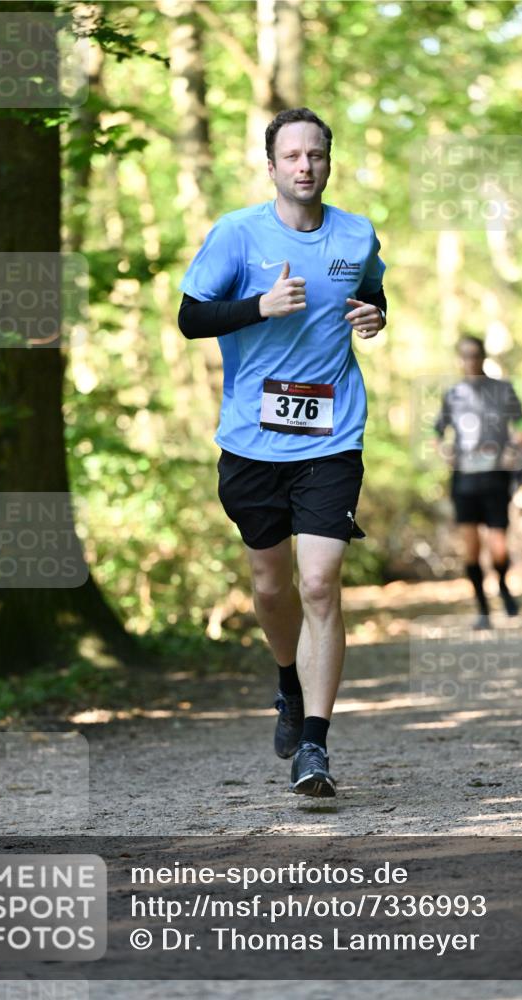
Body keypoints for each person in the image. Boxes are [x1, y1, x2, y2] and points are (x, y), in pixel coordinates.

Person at [177, 108, 387, 798]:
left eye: (315, 154)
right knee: (272, 587)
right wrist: (257, 307)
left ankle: (314, 747)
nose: (305, 165)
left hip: (332, 435)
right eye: (292, 156)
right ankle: (287, 684)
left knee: (320, 583)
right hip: (251, 441)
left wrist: (375, 314)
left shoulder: (355, 234)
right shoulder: (237, 234)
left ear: (329, 162)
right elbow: (190, 317)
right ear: (271, 166)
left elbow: (371, 291)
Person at [434, 335, 522, 628]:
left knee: (498, 544)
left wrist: (513, 449)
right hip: (464, 479)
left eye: (475, 354)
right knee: (471, 546)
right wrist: (444, 451)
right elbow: (437, 431)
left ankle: (502, 585)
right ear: (459, 359)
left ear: (483, 356)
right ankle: (482, 607)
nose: (470, 360)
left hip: (495, 476)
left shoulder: (503, 390)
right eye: (465, 355)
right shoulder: (453, 395)